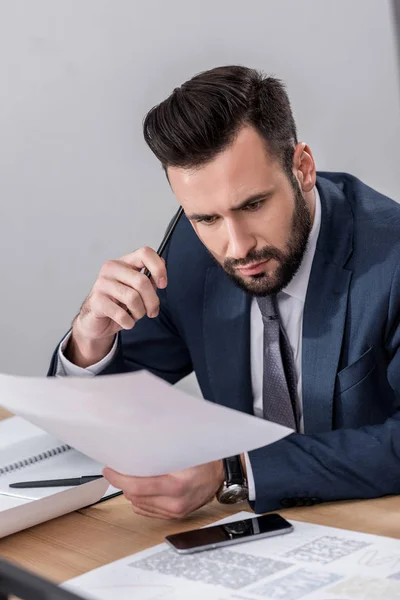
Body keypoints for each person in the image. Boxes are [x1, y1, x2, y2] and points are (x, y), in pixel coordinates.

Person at [49, 65, 400, 520]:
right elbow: (102, 415)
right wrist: (90, 341)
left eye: (253, 205)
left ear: (303, 168)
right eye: (206, 219)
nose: (237, 248)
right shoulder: (191, 256)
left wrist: (234, 471)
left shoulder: (390, 259)